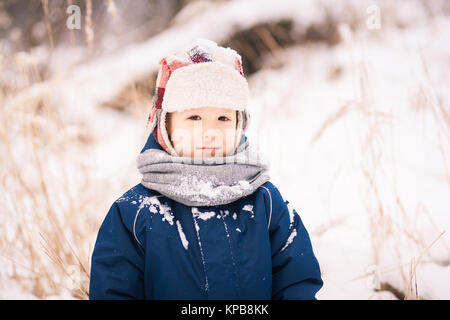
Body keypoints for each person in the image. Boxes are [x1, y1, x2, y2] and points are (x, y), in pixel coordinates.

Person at [89, 38, 323, 300]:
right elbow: (114, 291)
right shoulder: (134, 212)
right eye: (194, 117)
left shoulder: (265, 201)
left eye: (223, 118)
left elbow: (296, 281)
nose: (209, 132)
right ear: (165, 127)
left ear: (239, 125)